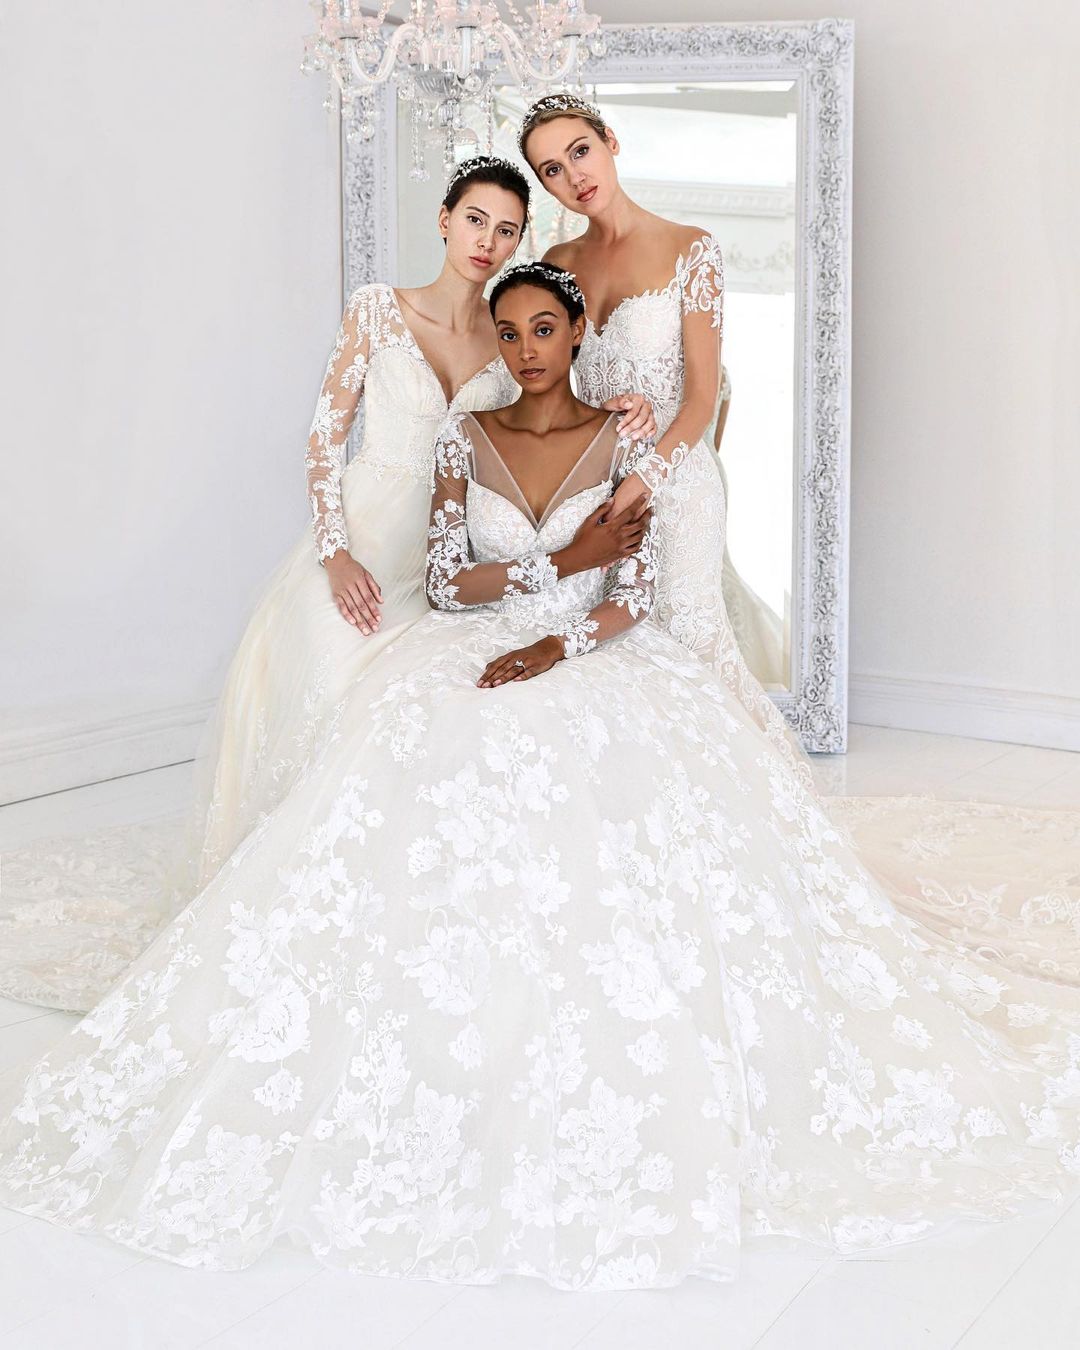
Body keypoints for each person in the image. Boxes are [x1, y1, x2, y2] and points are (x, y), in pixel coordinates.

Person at [1, 263, 1078, 1294]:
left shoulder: (624, 438)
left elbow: (632, 597)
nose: (525, 350)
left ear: (576, 337)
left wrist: (557, 644)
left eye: (545, 331)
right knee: (414, 751)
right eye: (509, 333)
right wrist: (556, 569)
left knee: (609, 778)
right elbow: (444, 583)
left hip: (590, 649)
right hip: (474, 642)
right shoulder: (465, 437)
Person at [0, 156, 655, 1014]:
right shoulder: (380, 310)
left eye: (505, 230)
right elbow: (323, 438)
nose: (486, 242)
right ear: (444, 220)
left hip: (460, 552)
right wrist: (336, 553)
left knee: (405, 724)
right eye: (474, 221)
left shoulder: (512, 333)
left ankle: (382, 906)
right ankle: (273, 900)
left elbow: (571, 393)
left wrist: (638, 407)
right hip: (368, 537)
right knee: (323, 681)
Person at [519, 92, 812, 788]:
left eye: (581, 152)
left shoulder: (691, 248)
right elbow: (556, 387)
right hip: (593, 487)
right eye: (552, 169)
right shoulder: (556, 261)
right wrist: (595, 415)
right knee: (617, 654)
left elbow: (702, 399)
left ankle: (760, 800)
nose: (574, 175)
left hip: (675, 484)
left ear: (611, 142)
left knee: (689, 638)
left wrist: (642, 481)